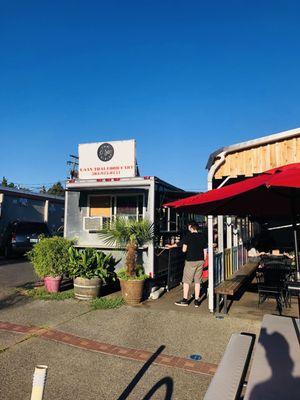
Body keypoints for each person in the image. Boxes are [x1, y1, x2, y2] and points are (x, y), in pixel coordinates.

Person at [166, 221, 207, 307]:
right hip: (200, 261)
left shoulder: (188, 236)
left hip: (190, 261)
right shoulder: (202, 236)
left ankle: (185, 300)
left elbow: (182, 248)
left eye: (189, 226)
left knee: (186, 281)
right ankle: (196, 301)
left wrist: (170, 246)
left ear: (191, 227)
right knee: (197, 281)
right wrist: (204, 259)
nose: (188, 228)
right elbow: (205, 250)